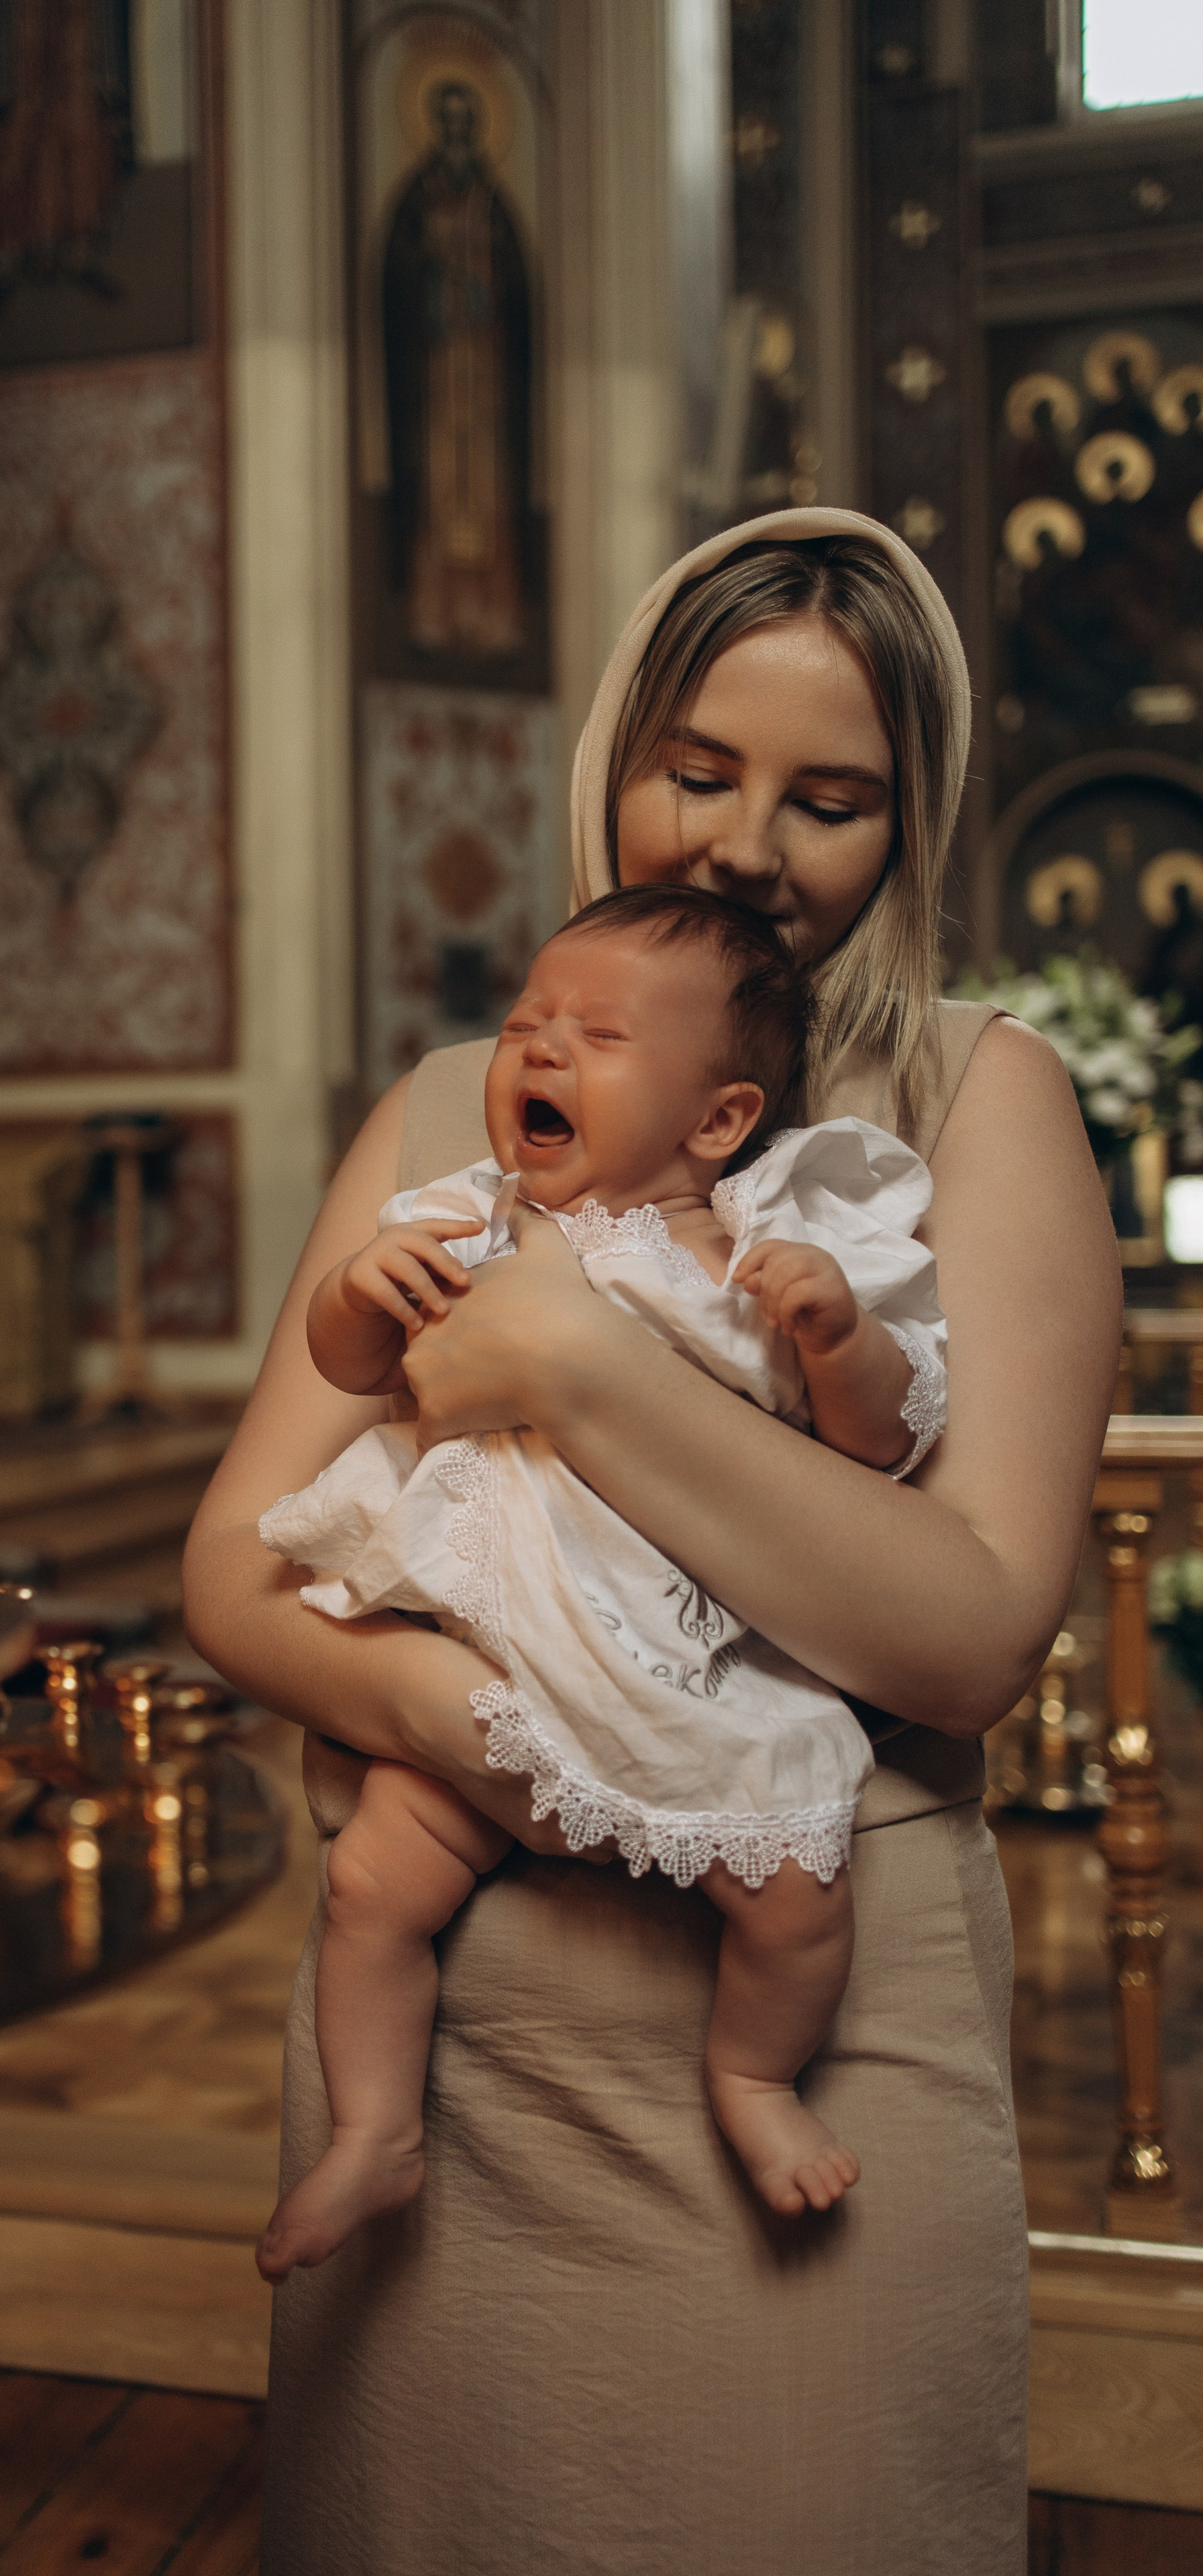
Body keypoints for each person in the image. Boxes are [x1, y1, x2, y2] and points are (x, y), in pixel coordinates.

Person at [183, 508, 1121, 2576]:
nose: (745, 847)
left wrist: (588, 1372)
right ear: (616, 753)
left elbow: (974, 1637)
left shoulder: (977, 1103)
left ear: (912, 819)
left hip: (811, 2014)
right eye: (696, 771)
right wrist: (491, 1733)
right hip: (452, 2008)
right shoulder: (456, 1106)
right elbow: (236, 1567)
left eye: (829, 801)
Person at [256, 885, 951, 2279]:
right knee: (375, 1886)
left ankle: (752, 2077)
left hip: (675, 1665)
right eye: (528, 1022)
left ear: (718, 1119)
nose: (541, 1049)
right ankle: (374, 2130)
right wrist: (356, 1288)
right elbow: (348, 1363)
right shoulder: (466, 1215)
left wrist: (836, 1340)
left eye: (599, 1034)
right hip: (493, 1662)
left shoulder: (754, 1254)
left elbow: (879, 1448)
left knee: (795, 1895)